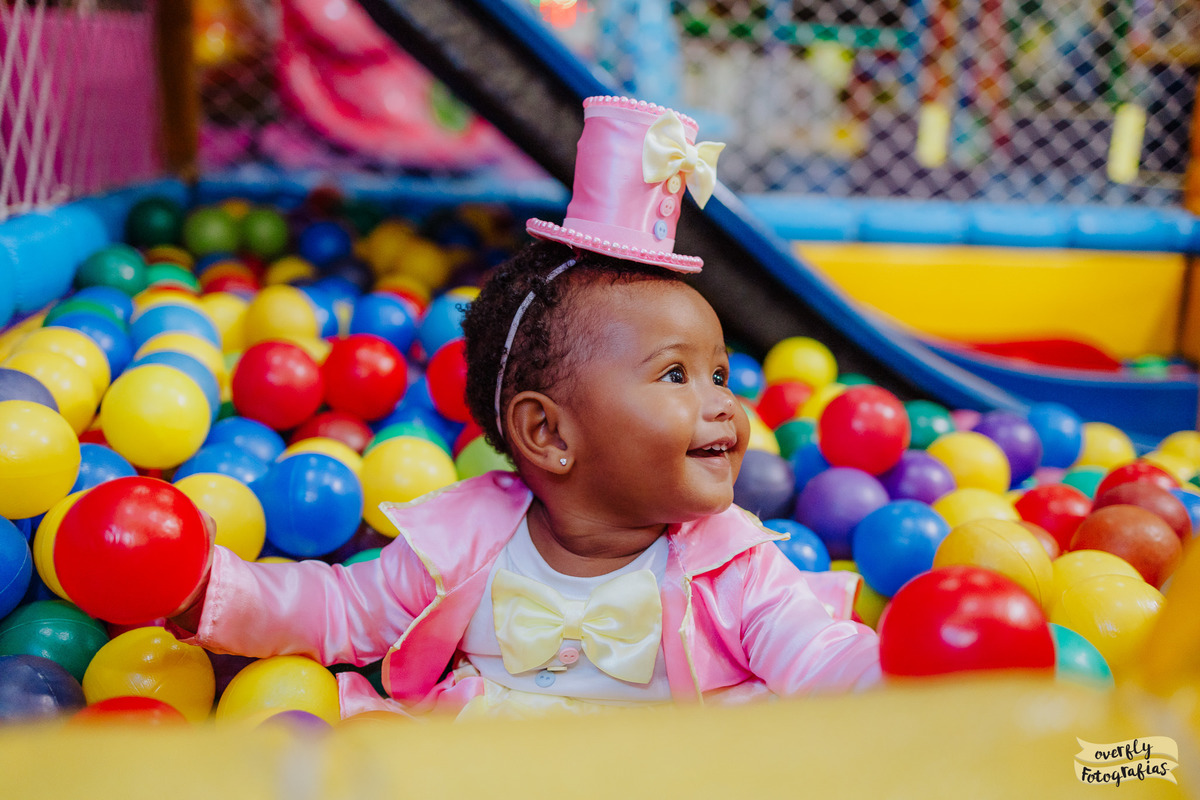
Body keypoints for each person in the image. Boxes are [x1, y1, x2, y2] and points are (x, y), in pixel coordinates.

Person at [171, 96, 880, 720]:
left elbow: (822, 660)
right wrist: (211, 589)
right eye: (675, 375)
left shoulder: (735, 564)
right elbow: (340, 611)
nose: (724, 402)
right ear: (548, 432)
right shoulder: (464, 542)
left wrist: (915, 676)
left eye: (720, 373)